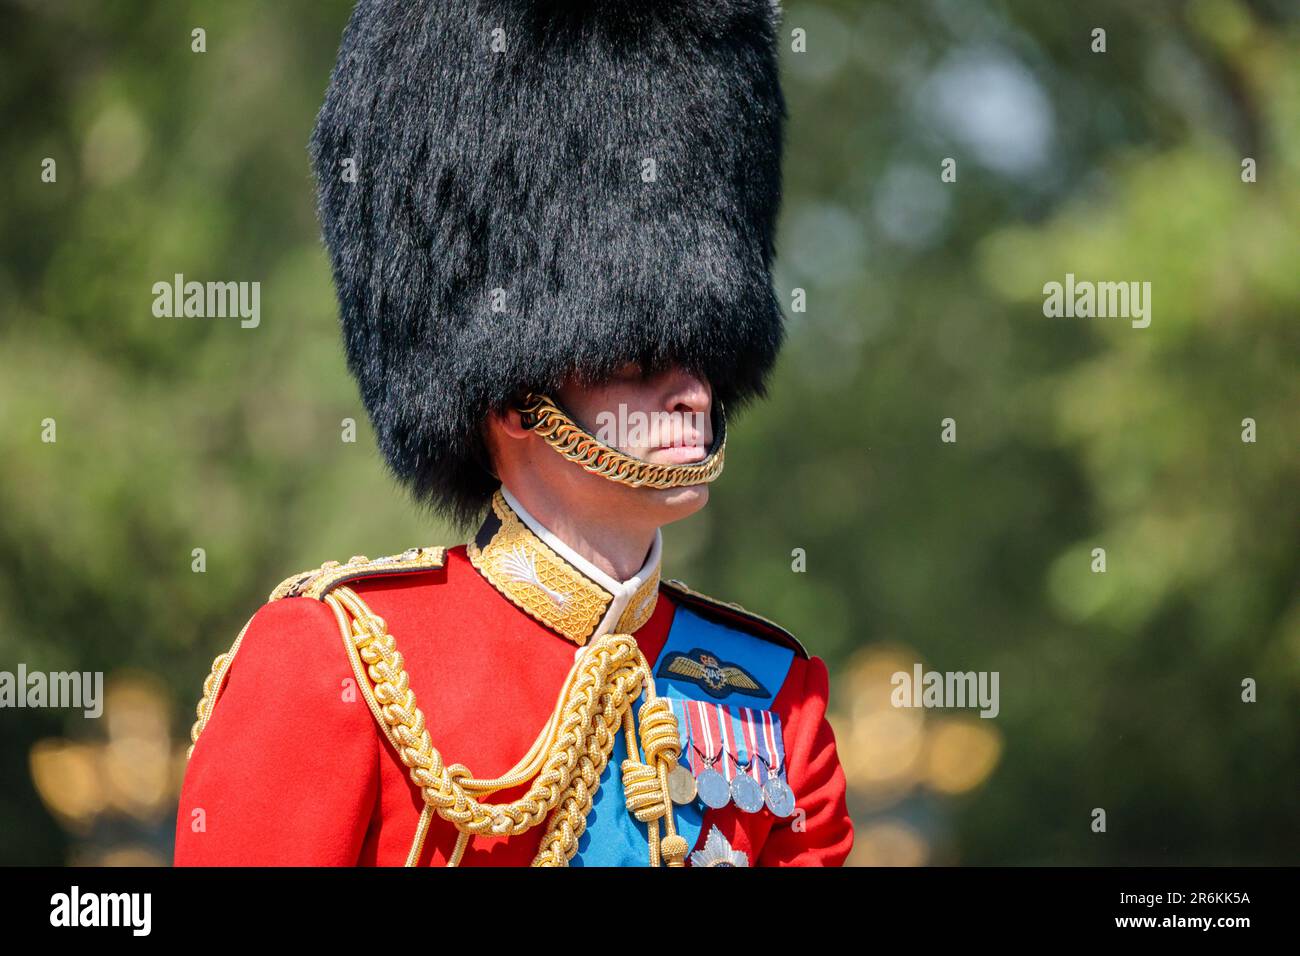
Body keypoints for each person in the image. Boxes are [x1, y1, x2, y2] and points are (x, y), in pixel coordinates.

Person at [174, 0, 853, 867]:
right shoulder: (337, 660)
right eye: (641, 358)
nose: (693, 394)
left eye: (704, 355)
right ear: (513, 401)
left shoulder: (770, 694)